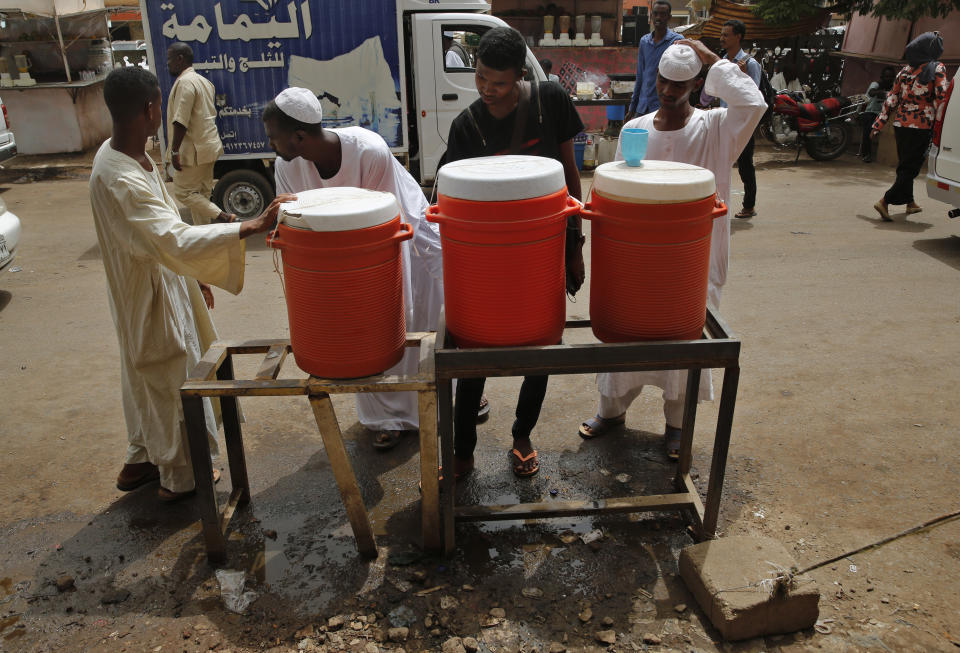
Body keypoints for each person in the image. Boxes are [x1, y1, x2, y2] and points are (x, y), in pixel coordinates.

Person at [90, 67, 291, 501]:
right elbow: (171, 237)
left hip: (161, 276)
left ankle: (139, 460)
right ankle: (180, 479)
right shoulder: (119, 175)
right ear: (149, 108)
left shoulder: (126, 155)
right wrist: (251, 225)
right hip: (148, 291)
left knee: (144, 375)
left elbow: (166, 226)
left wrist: (195, 275)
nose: (161, 113)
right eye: (160, 106)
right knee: (170, 375)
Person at [579, 40, 766, 459]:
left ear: (698, 83)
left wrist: (712, 57)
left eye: (679, 83)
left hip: (690, 259)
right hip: (635, 257)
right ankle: (611, 411)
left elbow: (753, 104)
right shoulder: (635, 129)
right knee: (624, 332)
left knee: (685, 339)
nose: (668, 89)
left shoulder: (717, 127)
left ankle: (677, 425)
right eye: (663, 80)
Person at [262, 87, 447, 450]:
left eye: (273, 136)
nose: (270, 144)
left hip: (400, 239)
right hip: (342, 257)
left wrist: (387, 291)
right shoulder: (286, 166)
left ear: (299, 137)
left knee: (410, 321)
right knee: (362, 329)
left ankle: (438, 399)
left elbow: (386, 220)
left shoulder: (369, 151)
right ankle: (385, 418)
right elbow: (295, 223)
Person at [442, 26, 585, 480]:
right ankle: (463, 453)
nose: (486, 90)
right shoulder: (467, 124)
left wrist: (574, 246)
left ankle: (522, 435)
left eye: (498, 82)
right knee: (472, 353)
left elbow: (569, 178)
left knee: (541, 345)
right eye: (480, 77)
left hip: (540, 254)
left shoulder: (550, 102)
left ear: (520, 76)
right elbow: (449, 197)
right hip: (485, 260)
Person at [871, 32, 949, 221]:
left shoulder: (904, 71)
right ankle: (885, 201)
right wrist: (944, 124)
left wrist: (878, 123)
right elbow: (942, 98)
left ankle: (910, 203)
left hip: (900, 124)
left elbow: (892, 98)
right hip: (922, 126)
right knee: (911, 168)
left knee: (905, 164)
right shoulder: (937, 68)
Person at [166, 43, 234, 225]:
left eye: (169, 59)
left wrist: (174, 151)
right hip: (209, 148)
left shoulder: (185, 83)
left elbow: (181, 120)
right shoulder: (204, 82)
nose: (168, 64)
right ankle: (204, 235)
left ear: (180, 59)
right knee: (202, 195)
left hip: (193, 153)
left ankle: (223, 216)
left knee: (184, 193)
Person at [714, 20, 762, 220]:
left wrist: (743, 77)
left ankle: (749, 206)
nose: (722, 38)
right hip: (724, 119)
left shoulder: (750, 64)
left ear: (738, 37)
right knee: (719, 163)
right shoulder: (724, 62)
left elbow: (754, 97)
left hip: (743, 125)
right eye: (722, 34)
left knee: (745, 166)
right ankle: (716, 202)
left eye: (726, 35)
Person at [625, 0, 682, 122]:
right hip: (643, 106)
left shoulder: (677, 41)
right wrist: (632, 107)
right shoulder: (644, 42)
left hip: (663, 106)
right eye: (655, 14)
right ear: (651, 16)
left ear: (669, 17)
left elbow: (679, 77)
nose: (658, 17)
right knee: (637, 140)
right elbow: (640, 75)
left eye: (663, 14)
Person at [858, 66, 895, 163]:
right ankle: (866, 154)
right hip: (871, 112)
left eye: (891, 77)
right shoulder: (876, 84)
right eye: (887, 76)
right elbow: (871, 92)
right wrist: (882, 93)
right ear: (882, 77)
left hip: (885, 114)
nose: (889, 79)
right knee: (868, 133)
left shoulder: (893, 86)